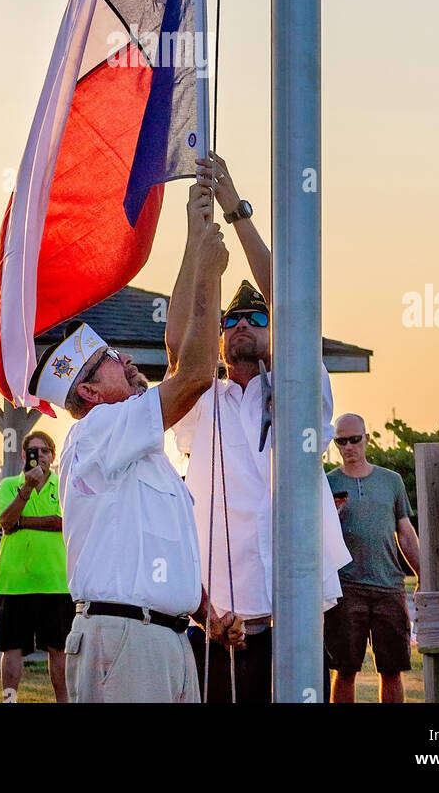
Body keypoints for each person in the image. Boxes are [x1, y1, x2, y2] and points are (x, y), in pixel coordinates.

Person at [166, 156, 350, 703]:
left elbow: (293, 305)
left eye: (256, 318)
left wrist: (235, 209)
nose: (242, 323)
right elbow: (178, 343)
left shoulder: (296, 388)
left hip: (293, 611)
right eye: (230, 320)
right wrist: (196, 243)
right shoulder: (204, 401)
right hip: (222, 618)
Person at [48, 218, 243, 704]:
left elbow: (180, 364)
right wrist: (210, 276)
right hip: (128, 640)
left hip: (164, 639)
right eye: (112, 357)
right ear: (89, 391)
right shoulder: (94, 431)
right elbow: (195, 373)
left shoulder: (140, 451)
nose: (130, 360)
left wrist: (194, 244)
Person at [324, 413, 421, 703]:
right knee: (344, 669)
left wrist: (423, 574)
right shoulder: (327, 483)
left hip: (389, 585)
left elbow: (405, 532)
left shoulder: (391, 481)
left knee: (392, 670)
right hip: (345, 587)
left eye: (355, 439)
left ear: (367, 438)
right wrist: (333, 517)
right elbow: (314, 536)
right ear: (335, 444)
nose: (349, 446)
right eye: (342, 441)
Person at [0, 430, 73, 703]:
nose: (39, 456)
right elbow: (5, 522)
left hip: (56, 581)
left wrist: (22, 522)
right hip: (15, 580)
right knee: (12, 649)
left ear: (53, 456)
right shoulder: (8, 486)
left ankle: (64, 701)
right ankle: (9, 700)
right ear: (23, 456)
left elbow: (62, 522)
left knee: (59, 649)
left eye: (44, 451)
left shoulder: (64, 486)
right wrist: (26, 489)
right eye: (33, 451)